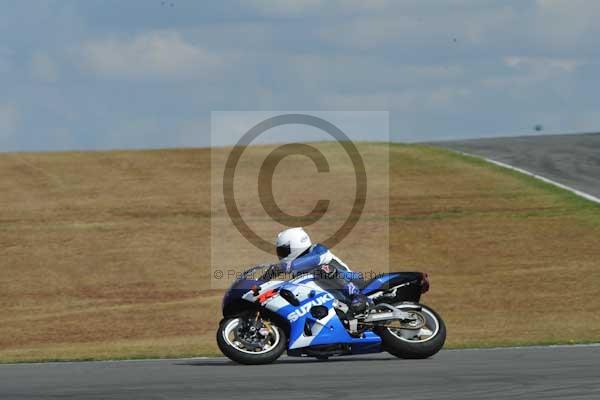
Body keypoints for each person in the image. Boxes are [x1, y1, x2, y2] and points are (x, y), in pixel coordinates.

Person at [273, 227, 371, 316]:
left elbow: (310, 261)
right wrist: (260, 283)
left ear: (296, 245)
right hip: (334, 299)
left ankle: (356, 296)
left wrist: (283, 267)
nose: (281, 255)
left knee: (322, 270)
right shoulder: (295, 270)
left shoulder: (318, 250)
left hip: (353, 281)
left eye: (283, 251)